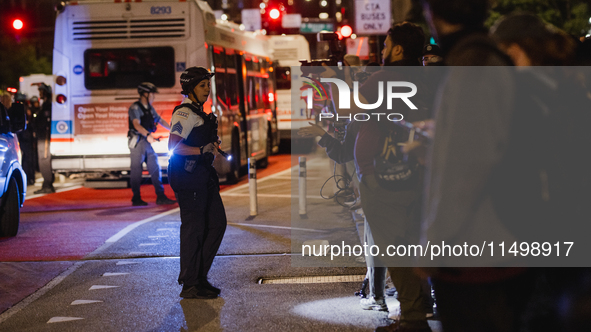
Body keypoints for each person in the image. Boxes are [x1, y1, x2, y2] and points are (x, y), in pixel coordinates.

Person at [168, 66, 227, 299]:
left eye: (208, 85)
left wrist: (212, 144)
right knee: (194, 229)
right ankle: (191, 283)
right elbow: (173, 146)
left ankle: (200, 277)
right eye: (203, 85)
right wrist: (200, 148)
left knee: (217, 224)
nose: (207, 90)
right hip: (188, 178)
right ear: (190, 87)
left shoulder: (200, 112)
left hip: (203, 177)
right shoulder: (184, 113)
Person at [127, 82, 176, 206]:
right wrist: (147, 135)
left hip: (147, 142)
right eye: (152, 94)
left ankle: (161, 196)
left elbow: (159, 120)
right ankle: (136, 198)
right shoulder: (135, 108)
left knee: (155, 168)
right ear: (145, 94)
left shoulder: (149, 108)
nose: (153, 96)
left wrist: (173, 129)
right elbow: (136, 124)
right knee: (136, 171)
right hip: (138, 142)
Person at [34, 83, 55, 194]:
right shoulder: (45, 104)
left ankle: (48, 184)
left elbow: (45, 121)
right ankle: (47, 183)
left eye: (41, 91)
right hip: (42, 136)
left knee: (44, 160)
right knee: (43, 160)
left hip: (44, 136)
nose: (40, 93)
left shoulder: (48, 105)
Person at [17, 95, 37, 186]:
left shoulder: (20, 110)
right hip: (26, 136)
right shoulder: (27, 110)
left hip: (24, 137)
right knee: (28, 158)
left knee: (26, 158)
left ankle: (29, 178)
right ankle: (30, 178)